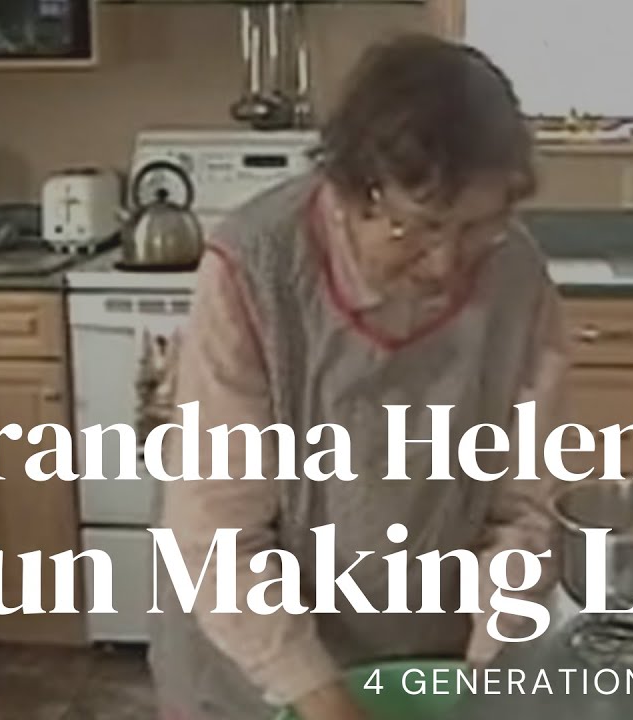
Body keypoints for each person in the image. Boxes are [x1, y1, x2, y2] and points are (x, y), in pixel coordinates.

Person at [148, 33, 570, 720]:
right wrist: (325, 702)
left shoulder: (517, 278)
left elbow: (524, 509)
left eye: (477, 228)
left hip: (429, 653)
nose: (446, 264)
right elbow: (219, 534)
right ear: (349, 193)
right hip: (253, 664)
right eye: (420, 227)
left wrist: (494, 671)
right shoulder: (254, 271)